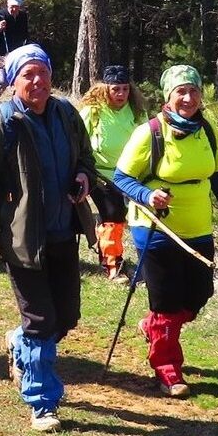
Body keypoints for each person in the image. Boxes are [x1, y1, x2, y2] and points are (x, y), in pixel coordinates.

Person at [0, 44, 98, 433]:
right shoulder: (0, 126)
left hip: (62, 233)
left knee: (65, 317)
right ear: (14, 80)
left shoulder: (66, 114)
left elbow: (86, 158)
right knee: (41, 321)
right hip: (22, 241)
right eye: (27, 75)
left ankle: (19, 344)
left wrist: (84, 176)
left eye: (43, 73)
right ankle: (42, 401)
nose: (37, 81)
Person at [112, 64, 218, 398]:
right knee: (167, 302)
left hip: (198, 226)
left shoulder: (208, 131)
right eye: (181, 92)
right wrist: (147, 195)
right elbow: (121, 177)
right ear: (168, 97)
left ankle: (154, 326)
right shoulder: (150, 132)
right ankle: (168, 368)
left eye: (194, 91)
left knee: (200, 294)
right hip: (156, 228)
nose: (188, 98)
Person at [78, 64, 149, 281]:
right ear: (105, 89)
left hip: (130, 175)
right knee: (112, 215)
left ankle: (145, 265)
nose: (121, 94)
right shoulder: (94, 111)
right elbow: (77, 139)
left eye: (125, 89)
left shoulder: (137, 112)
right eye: (116, 89)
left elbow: (148, 141)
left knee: (134, 218)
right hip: (100, 174)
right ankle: (112, 265)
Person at [0, 0, 30, 100]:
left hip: (16, 53)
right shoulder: (0, 15)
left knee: (18, 79)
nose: (14, 9)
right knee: (2, 81)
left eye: (16, 7)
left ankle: (17, 102)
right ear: (7, 4)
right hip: (1, 53)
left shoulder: (23, 16)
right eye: (12, 6)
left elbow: (25, 33)